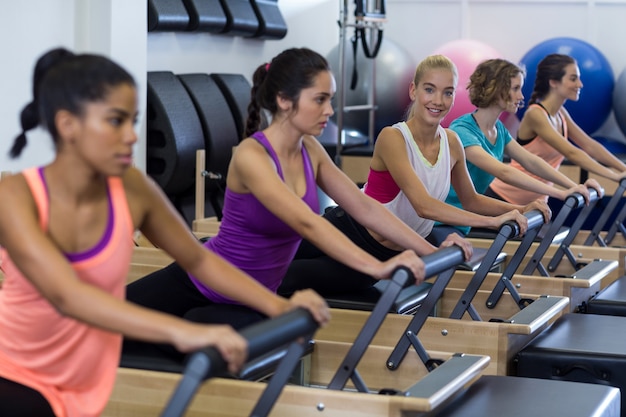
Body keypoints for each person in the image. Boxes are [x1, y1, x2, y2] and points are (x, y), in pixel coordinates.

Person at [0, 48, 330, 417]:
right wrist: (183, 331)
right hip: (17, 378)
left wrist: (279, 306)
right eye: (115, 121)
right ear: (68, 125)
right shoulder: (16, 198)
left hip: (87, 382)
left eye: (134, 121)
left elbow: (199, 258)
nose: (131, 136)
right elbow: (68, 296)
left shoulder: (132, 187)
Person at [126, 47, 446, 339]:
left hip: (253, 294)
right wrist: (375, 267)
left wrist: (430, 251)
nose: (329, 111)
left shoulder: (310, 149)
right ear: (284, 100)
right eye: (319, 99)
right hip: (203, 282)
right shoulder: (252, 156)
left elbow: (364, 205)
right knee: (97, 332)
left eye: (330, 100)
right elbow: (307, 223)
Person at [278, 54, 550, 298]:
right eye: (429, 90)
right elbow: (424, 205)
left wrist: (520, 209)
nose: (438, 101)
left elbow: (470, 199)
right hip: (348, 229)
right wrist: (493, 222)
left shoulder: (452, 142)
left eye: (447, 93)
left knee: (290, 278)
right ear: (413, 90)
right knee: (274, 270)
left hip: (385, 253)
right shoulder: (393, 138)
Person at [438, 58, 600, 235]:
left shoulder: (498, 130)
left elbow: (531, 161)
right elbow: (504, 172)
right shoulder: (462, 130)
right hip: (442, 222)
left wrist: (573, 187)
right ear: (497, 89)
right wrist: (560, 194)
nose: (521, 96)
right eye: (515, 89)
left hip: (465, 220)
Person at [488, 53, 626, 205]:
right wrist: (612, 176)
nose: (580, 84)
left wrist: (623, 169)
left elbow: (589, 145)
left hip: (536, 203)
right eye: (573, 78)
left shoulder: (561, 114)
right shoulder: (536, 114)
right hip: (503, 196)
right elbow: (572, 152)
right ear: (554, 82)